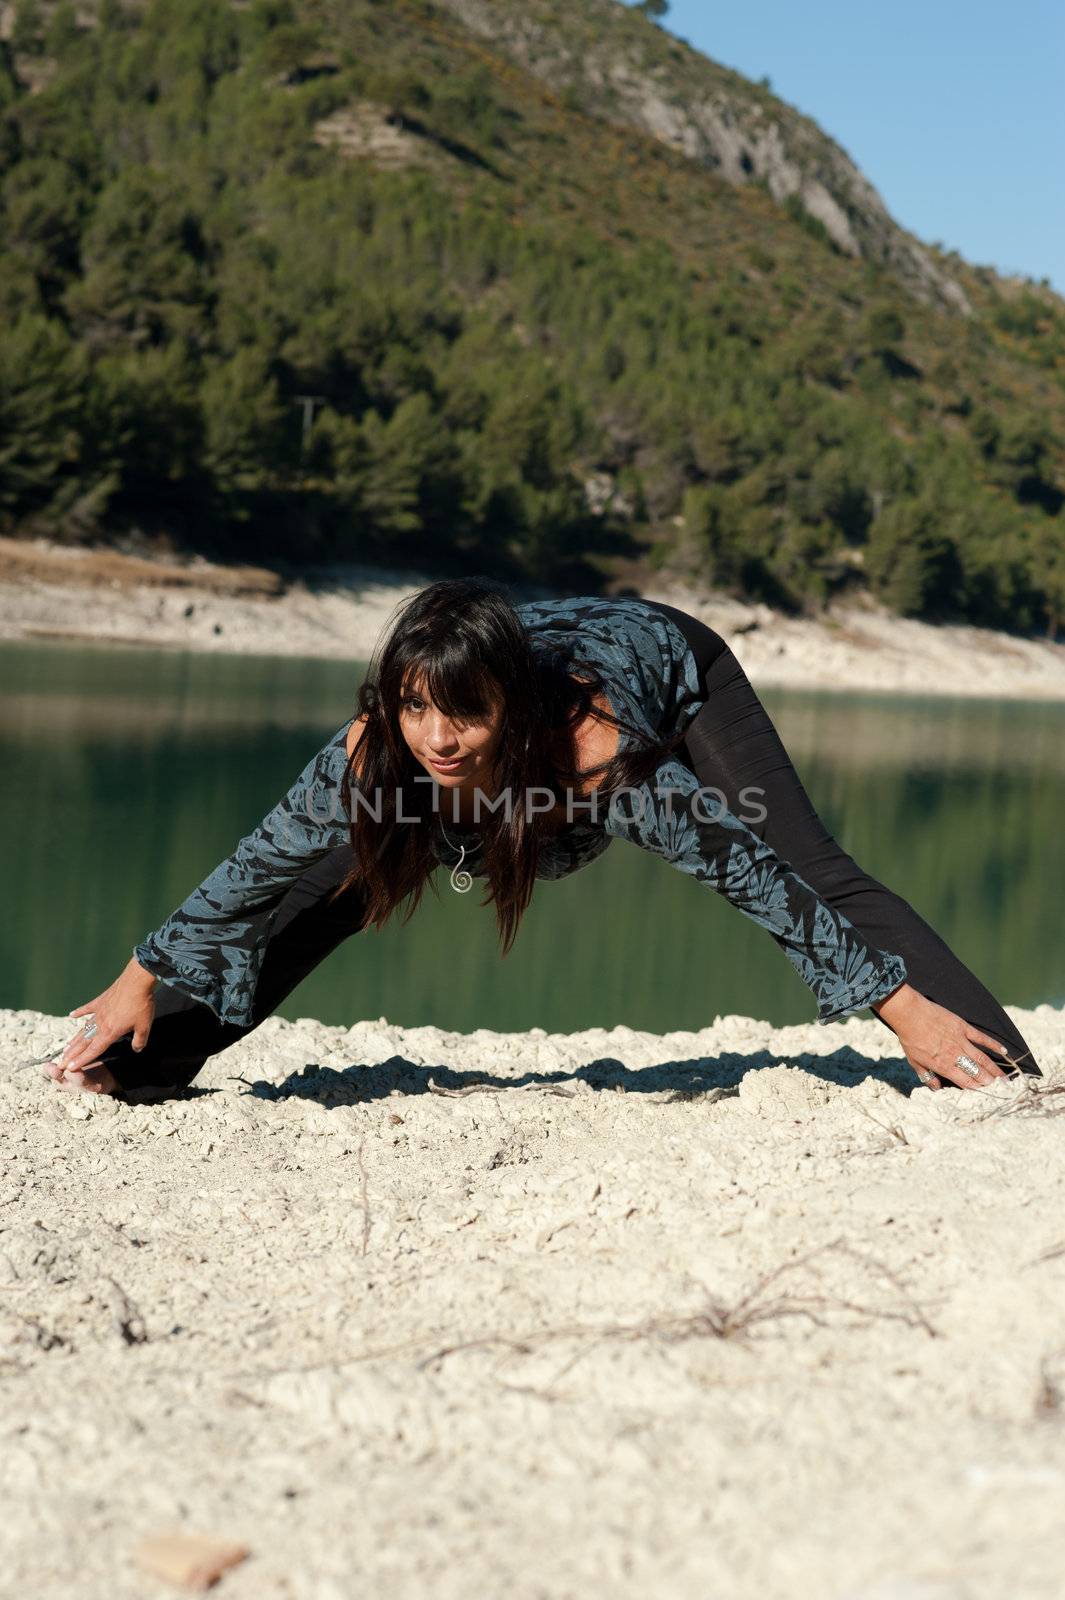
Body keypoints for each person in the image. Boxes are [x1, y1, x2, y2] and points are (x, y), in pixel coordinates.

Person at [44, 578, 1041, 1100]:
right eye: (413, 709)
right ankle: (149, 1057)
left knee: (815, 863)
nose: (436, 739)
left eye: (461, 719)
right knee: (332, 881)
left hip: (668, 663)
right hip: (508, 658)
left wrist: (900, 1007)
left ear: (508, 712)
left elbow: (763, 884)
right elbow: (255, 870)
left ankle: (993, 1063)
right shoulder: (382, 749)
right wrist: (141, 974)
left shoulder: (602, 757)